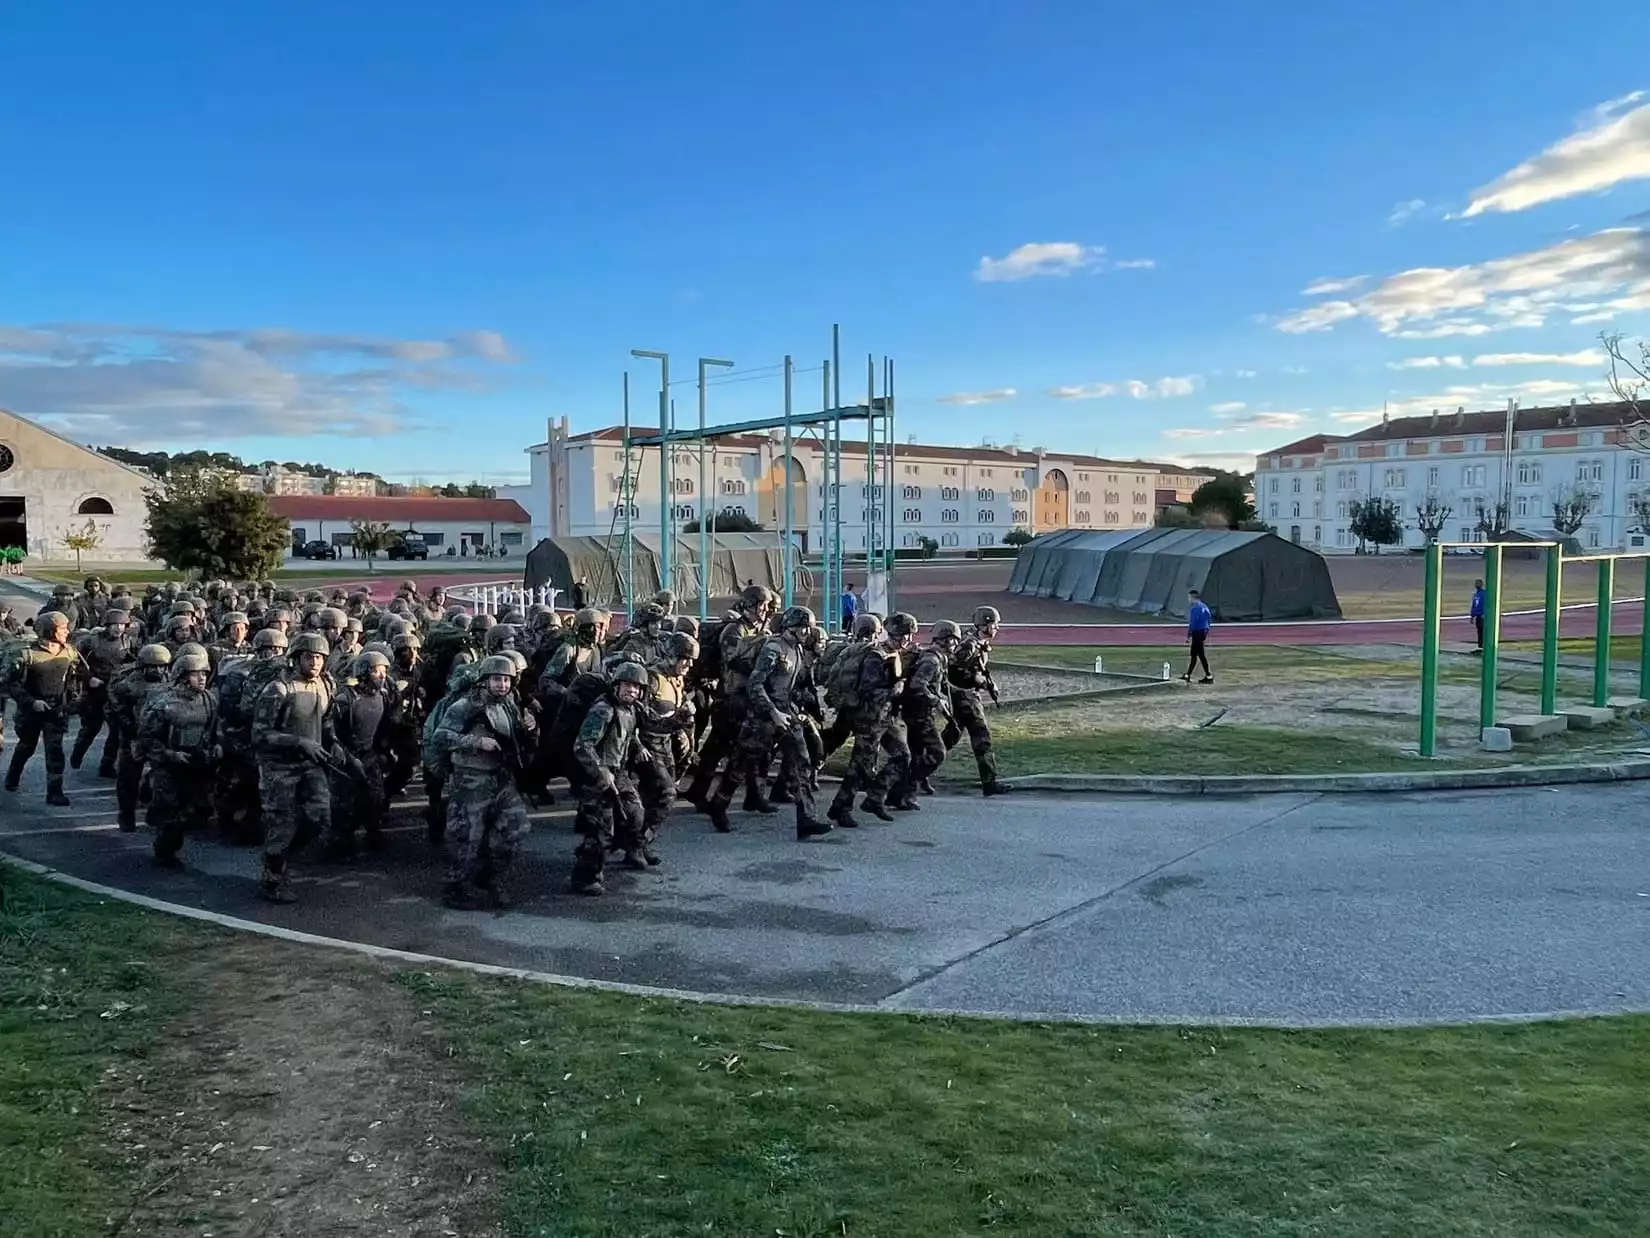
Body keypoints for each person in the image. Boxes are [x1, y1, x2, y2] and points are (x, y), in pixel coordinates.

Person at [708, 606, 832, 839]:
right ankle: (719, 804)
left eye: (809, 627)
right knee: (741, 763)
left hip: (786, 715)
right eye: (803, 627)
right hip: (762, 717)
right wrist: (773, 712)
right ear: (790, 626)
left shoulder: (796, 649)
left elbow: (794, 685)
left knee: (801, 763)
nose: (807, 632)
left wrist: (798, 709)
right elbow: (755, 685)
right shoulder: (772, 648)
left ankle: (807, 819)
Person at [433, 654, 538, 908]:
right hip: (471, 778)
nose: (501, 685)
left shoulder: (509, 704)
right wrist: (475, 742)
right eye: (496, 680)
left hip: (501, 776)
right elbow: (441, 736)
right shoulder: (466, 706)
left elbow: (515, 739)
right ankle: (455, 887)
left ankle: (490, 876)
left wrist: (530, 727)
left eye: (506, 680)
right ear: (484, 681)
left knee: (516, 827)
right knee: (467, 837)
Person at [251, 631, 339, 903]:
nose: (315, 663)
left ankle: (283, 857)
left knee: (320, 817)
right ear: (296, 658)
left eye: (320, 658)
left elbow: (325, 721)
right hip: (279, 768)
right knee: (283, 824)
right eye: (309, 657)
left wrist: (333, 743)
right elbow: (260, 734)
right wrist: (298, 742)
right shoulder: (278, 689)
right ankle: (272, 879)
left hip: (310, 763)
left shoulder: (325, 684)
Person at [137, 650, 218, 868]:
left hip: (197, 760)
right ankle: (165, 850)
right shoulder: (164, 703)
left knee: (193, 808)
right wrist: (169, 754)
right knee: (170, 810)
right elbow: (147, 737)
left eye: (204, 673)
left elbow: (214, 728)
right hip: (169, 763)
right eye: (196, 674)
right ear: (183, 676)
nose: (202, 678)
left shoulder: (209, 699)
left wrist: (215, 747)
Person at [4, 610, 83, 806]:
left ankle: (55, 792)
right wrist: (31, 702)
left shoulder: (69, 652)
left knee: (55, 751)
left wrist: (72, 699)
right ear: (49, 630)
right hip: (31, 710)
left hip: (56, 710)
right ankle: (13, 776)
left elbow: (72, 680)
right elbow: (12, 685)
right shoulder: (26, 655)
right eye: (62, 628)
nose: (67, 631)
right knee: (26, 746)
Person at [1183, 589, 1214, 684]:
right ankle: (1207, 675)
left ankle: (1188, 675)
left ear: (1192, 598)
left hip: (1198, 632)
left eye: (1189, 597)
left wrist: (1189, 635)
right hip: (1203, 632)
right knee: (1200, 654)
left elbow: (1193, 623)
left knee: (1194, 654)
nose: (1188, 599)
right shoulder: (1205, 607)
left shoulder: (1195, 608)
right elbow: (1209, 620)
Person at [1470, 579, 1486, 652]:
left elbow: (1486, 604)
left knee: (1483, 631)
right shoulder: (1476, 594)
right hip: (1477, 616)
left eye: (1478, 583)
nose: (1476, 585)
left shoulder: (1485, 593)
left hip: (1482, 616)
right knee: (1479, 631)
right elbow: (1474, 606)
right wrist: (1472, 616)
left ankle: (1484, 646)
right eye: (1476, 583)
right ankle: (1480, 646)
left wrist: (1484, 613)